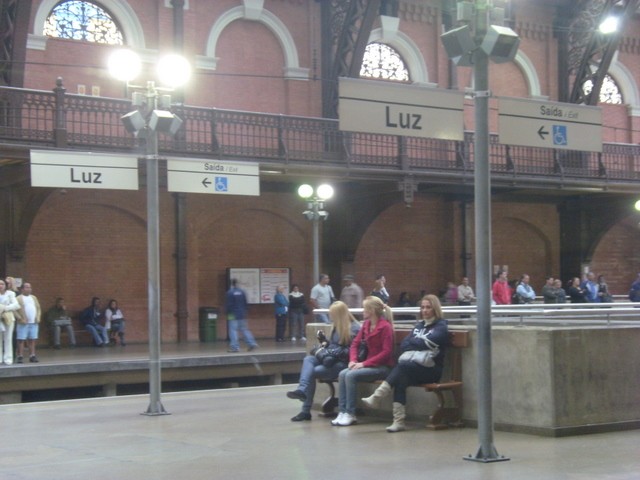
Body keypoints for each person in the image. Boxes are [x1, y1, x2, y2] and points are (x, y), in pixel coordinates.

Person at [362, 294, 449, 432]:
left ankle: (378, 396)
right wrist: (421, 343)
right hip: (413, 368)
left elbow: (432, 341)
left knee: (402, 367)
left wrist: (417, 342)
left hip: (432, 370)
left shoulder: (441, 326)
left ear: (435, 309)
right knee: (400, 378)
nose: (425, 310)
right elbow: (404, 345)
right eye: (423, 307)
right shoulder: (419, 325)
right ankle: (398, 421)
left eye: (428, 307)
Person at [286, 301, 361, 422]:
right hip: (330, 360)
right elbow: (334, 345)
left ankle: (305, 409)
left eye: (332, 314)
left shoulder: (355, 329)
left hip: (342, 364)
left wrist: (334, 350)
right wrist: (325, 343)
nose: (330, 317)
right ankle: (302, 389)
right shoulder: (336, 327)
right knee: (308, 359)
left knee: (313, 371)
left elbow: (352, 351)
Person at [332, 296, 395, 427]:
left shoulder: (385, 327)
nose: (363, 310)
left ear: (372, 310)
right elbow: (355, 344)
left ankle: (351, 413)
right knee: (343, 373)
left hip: (382, 367)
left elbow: (386, 352)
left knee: (350, 375)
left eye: (365, 308)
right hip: (368, 364)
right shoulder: (366, 325)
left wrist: (363, 364)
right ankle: (342, 411)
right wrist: (353, 360)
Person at [225, 279, 258, 353]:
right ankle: (252, 343)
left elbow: (229, 305)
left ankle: (235, 347)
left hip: (232, 314)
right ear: (238, 283)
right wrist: (245, 312)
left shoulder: (230, 292)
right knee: (244, 329)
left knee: (233, 330)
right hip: (242, 314)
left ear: (232, 284)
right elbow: (246, 303)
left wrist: (227, 312)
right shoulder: (242, 292)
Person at [16, 282, 41, 363]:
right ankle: (20, 356)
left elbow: (38, 308)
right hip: (23, 323)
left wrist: (38, 317)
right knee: (21, 340)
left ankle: (32, 355)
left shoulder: (34, 297)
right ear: (22, 289)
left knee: (32, 339)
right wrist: (20, 318)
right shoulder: (18, 298)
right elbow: (15, 310)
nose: (29, 289)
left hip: (33, 322)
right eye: (27, 287)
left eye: (30, 287)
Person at [0, 278, 21, 364]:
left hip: (8, 318)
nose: (0, 286)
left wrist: (5, 308)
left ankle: (8, 358)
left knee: (8, 338)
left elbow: (16, 305)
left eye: (2, 284)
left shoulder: (11, 294)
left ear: (6, 286)